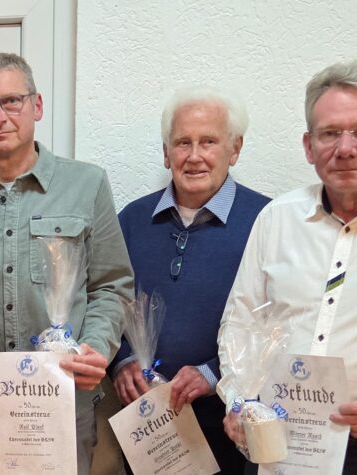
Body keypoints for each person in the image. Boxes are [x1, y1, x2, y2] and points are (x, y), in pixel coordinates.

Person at [219, 60, 357, 474]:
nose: (345, 148)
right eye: (329, 133)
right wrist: (237, 398)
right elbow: (239, 324)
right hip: (278, 447)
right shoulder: (276, 218)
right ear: (309, 146)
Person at [0, 52, 135, 475]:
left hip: (63, 407)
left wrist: (96, 348)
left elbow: (112, 285)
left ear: (36, 106)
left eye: (11, 101)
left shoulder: (87, 184)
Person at [110, 86, 268, 473]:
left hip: (231, 429)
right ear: (166, 153)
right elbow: (104, 299)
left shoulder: (267, 219)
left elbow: (277, 321)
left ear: (235, 149)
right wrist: (121, 362)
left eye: (209, 142)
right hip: (148, 432)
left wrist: (214, 373)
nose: (194, 156)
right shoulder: (132, 219)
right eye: (182, 142)